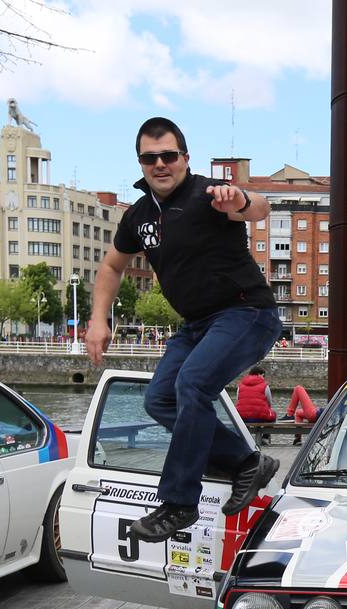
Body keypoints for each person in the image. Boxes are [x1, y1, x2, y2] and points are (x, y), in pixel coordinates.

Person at [86, 117, 282, 542]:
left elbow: (260, 208)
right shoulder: (138, 217)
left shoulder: (210, 194)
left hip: (246, 312)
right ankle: (247, 462)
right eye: (150, 158)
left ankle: (178, 503)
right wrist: (98, 319)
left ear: (184, 158)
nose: (160, 164)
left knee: (192, 384)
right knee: (159, 398)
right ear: (141, 163)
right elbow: (112, 266)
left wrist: (240, 200)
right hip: (196, 324)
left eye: (168, 156)